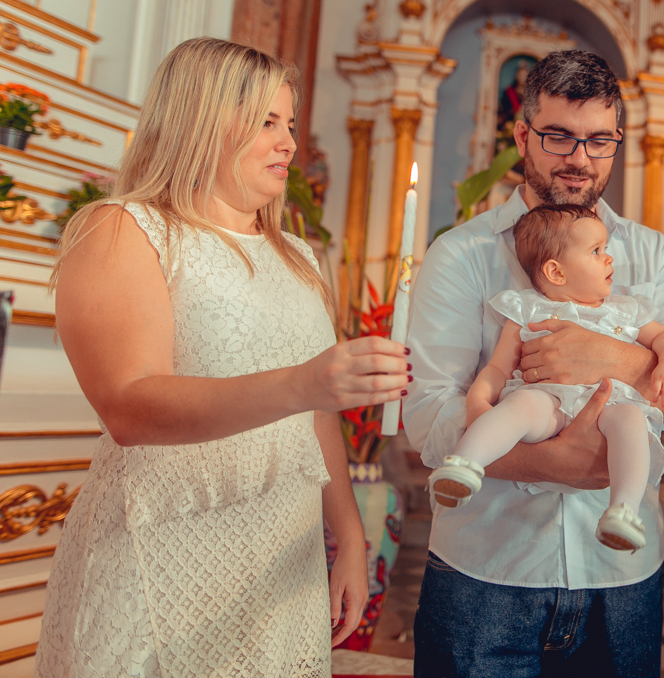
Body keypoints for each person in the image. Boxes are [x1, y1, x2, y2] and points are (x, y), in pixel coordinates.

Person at [35, 38, 409, 678]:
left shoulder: (297, 255)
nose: (289, 143)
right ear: (200, 121)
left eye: (289, 124)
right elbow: (129, 405)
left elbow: (318, 416)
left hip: (278, 557)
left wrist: (348, 535)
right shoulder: (125, 228)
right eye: (267, 122)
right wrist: (303, 383)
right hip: (162, 545)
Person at [405, 49, 664, 677]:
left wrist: (614, 357)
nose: (579, 159)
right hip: (485, 572)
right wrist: (553, 462)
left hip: (620, 579)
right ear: (522, 134)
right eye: (558, 136)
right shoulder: (461, 254)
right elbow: (427, 413)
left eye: (599, 141)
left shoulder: (650, 255)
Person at [427, 203, 664, 552]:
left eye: (605, 249)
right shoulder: (528, 309)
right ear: (556, 272)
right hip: (548, 404)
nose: (609, 259)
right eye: (596, 251)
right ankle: (465, 464)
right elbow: (499, 368)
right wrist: (478, 399)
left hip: (607, 407)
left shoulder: (623, 309)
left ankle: (623, 511)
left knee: (632, 420)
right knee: (522, 404)